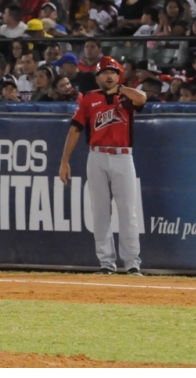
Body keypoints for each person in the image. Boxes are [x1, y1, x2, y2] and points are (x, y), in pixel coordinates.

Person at [59, 56, 146, 275]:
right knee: (100, 211)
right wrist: (64, 161)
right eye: (104, 72)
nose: (109, 76)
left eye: (112, 72)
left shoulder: (126, 96)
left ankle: (132, 263)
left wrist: (121, 89)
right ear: (97, 77)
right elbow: (75, 129)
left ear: (119, 76)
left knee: (127, 210)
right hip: (97, 156)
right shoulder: (89, 98)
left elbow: (142, 98)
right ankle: (106, 263)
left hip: (122, 156)